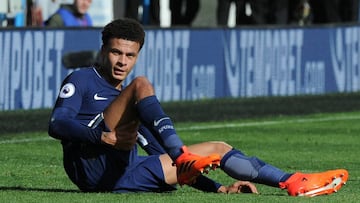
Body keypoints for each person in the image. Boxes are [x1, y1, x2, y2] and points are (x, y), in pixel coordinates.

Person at [48, 18, 349, 196]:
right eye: (116, 52)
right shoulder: (83, 79)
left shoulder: (129, 98)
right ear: (104, 49)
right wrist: (101, 137)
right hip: (92, 170)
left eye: (130, 55)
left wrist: (219, 188)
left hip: (125, 174)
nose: (122, 61)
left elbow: (154, 148)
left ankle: (293, 181)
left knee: (217, 146)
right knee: (141, 85)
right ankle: (182, 152)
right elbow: (57, 124)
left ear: (137, 54)